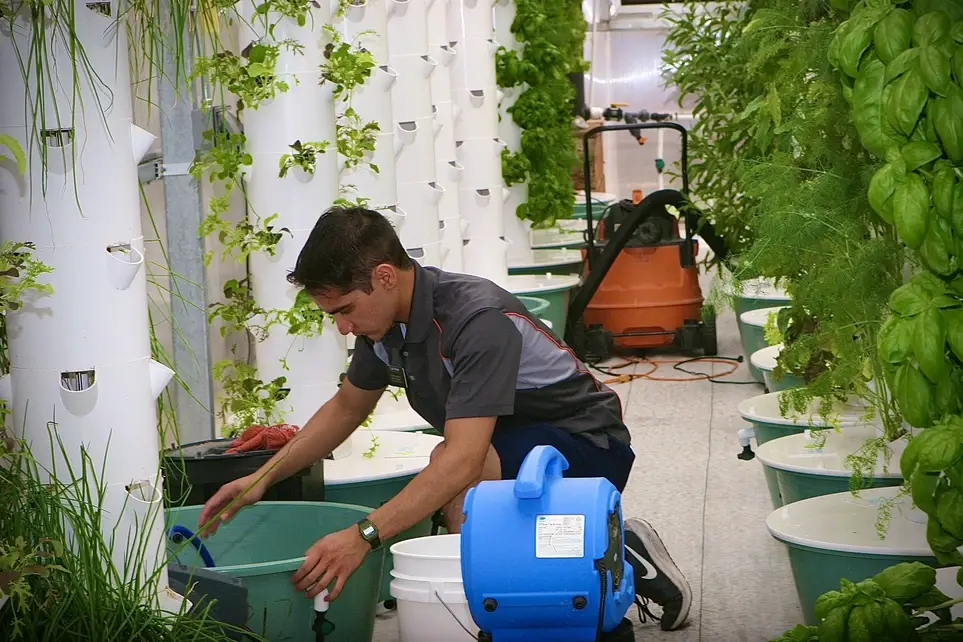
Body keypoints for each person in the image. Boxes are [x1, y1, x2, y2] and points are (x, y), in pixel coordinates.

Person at [198, 206, 692, 631]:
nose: (343, 326)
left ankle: (482, 617)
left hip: (589, 443)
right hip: (510, 442)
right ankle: (614, 547)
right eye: (334, 316)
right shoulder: (385, 325)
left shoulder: (475, 321)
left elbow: (461, 460)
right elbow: (347, 407)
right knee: (469, 486)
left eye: (346, 309)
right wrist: (259, 479)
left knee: (461, 477)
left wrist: (363, 536)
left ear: (386, 276)